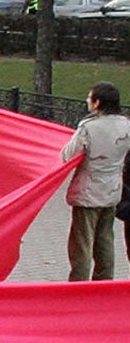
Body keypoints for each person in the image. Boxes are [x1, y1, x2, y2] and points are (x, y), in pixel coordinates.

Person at [61, 81, 130, 281]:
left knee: (82, 243)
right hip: (113, 192)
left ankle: (78, 285)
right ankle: (104, 281)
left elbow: (68, 154)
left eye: (90, 98)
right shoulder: (126, 125)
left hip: (88, 192)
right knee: (105, 240)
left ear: (97, 103)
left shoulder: (89, 127)